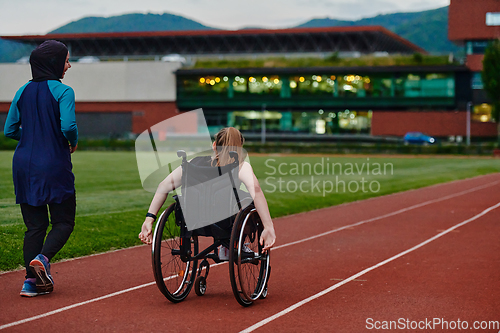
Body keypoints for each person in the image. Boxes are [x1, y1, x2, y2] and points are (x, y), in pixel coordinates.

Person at [4, 40, 78, 297]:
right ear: (55, 62)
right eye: (67, 60)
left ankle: (30, 283)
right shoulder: (64, 91)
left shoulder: (21, 91)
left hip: (23, 164)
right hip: (53, 163)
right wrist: (73, 141)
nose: (68, 66)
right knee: (64, 220)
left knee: (34, 226)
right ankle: (43, 259)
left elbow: (9, 130)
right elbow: (68, 126)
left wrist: (33, 136)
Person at [139, 127, 276, 255]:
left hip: (192, 218)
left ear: (214, 145)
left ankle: (226, 245)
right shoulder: (240, 166)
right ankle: (230, 245)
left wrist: (149, 218)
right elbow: (256, 192)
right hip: (225, 222)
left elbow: (163, 185)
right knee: (248, 201)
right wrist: (268, 226)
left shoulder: (193, 163)